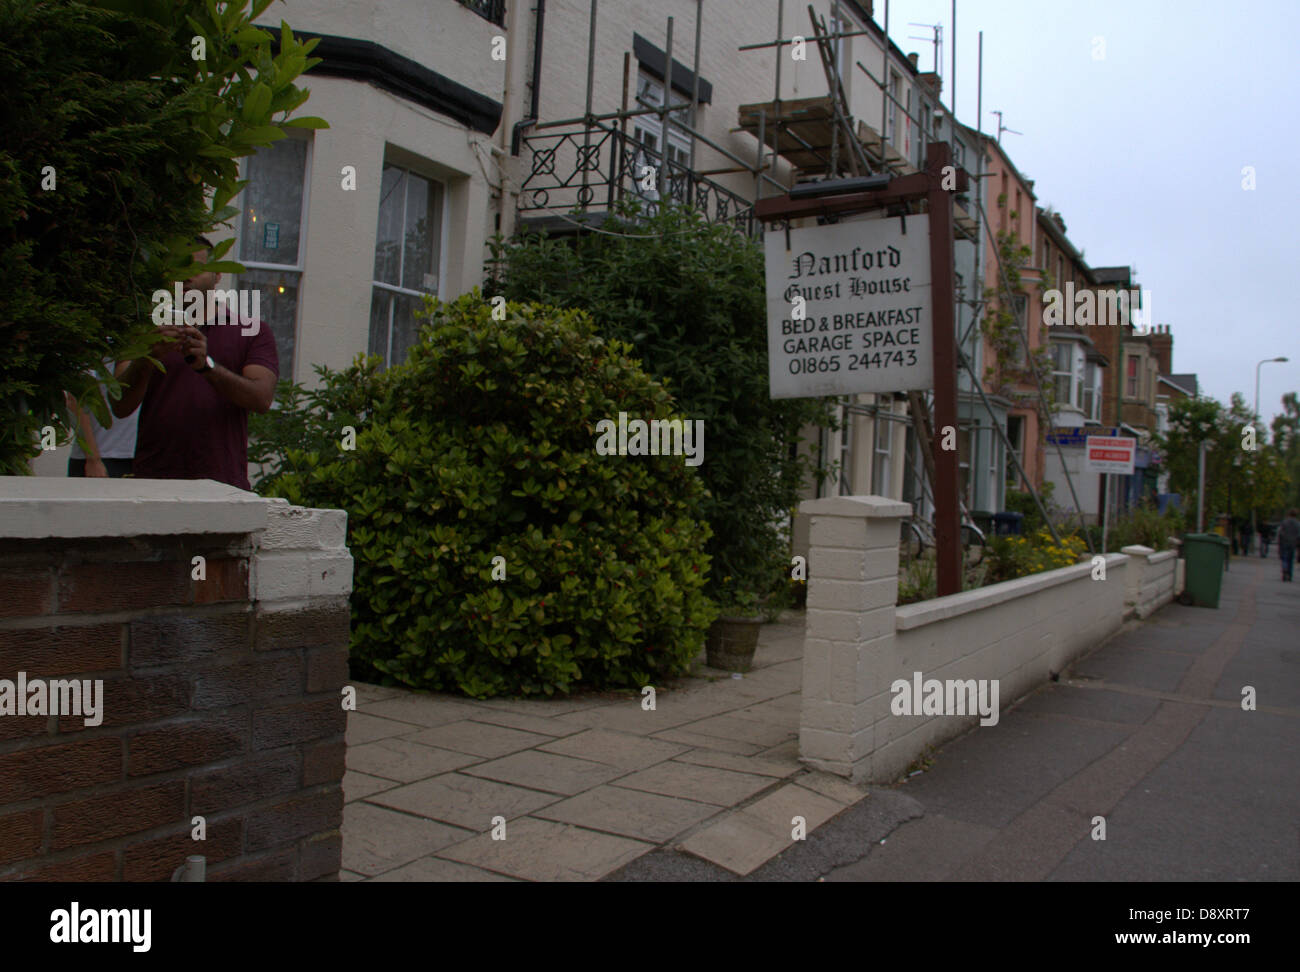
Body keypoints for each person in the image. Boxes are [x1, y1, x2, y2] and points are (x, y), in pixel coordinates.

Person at [113, 238, 277, 490]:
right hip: (153, 484)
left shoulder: (251, 330)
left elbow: (262, 398)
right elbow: (120, 405)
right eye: (178, 270)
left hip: (222, 485)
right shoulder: (144, 330)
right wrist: (148, 357)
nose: (186, 278)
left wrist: (207, 366)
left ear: (217, 274)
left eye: (195, 268)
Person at [65, 369, 138, 477]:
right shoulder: (93, 356)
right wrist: (93, 459)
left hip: (137, 454)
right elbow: (75, 401)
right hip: (102, 455)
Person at [1279, 509, 1300, 583]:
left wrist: (1281, 541)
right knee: (1291, 560)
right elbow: (1298, 535)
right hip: (1293, 543)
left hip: (1285, 542)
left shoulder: (1284, 522)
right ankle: (1289, 574)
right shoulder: (1298, 523)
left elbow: (1281, 533)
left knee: (1285, 558)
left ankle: (1284, 571)